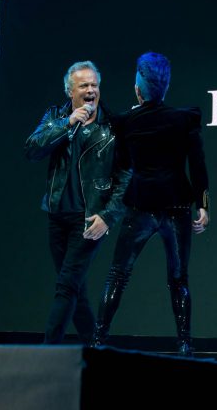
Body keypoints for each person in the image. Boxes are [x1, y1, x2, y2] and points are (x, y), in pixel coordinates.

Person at [92, 52, 210, 357]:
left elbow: (121, 165)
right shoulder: (184, 119)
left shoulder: (126, 122)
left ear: (138, 89)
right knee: (178, 279)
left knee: (118, 275)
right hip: (177, 206)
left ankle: (98, 341)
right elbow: (198, 165)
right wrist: (203, 204)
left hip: (141, 205)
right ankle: (184, 344)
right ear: (165, 86)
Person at [24, 61, 130, 344]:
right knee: (75, 288)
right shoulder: (56, 117)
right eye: (84, 86)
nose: (91, 90)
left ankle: (47, 352)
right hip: (58, 216)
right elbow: (32, 149)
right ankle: (95, 346)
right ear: (70, 92)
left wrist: (108, 216)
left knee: (67, 285)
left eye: (94, 85)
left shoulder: (113, 126)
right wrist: (67, 123)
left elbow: (126, 178)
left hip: (89, 219)